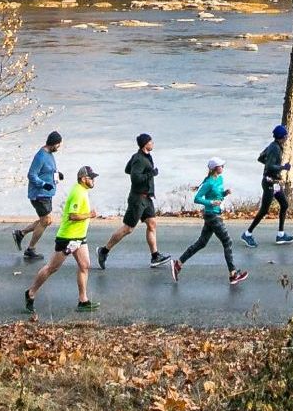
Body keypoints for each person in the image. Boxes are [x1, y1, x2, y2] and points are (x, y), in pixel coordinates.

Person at [26, 165, 99, 314]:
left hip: (79, 237)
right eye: (91, 178)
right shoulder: (78, 193)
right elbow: (73, 215)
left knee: (85, 266)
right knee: (52, 268)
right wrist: (89, 215)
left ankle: (83, 301)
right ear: (83, 179)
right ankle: (30, 293)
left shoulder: (82, 190)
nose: (93, 181)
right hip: (67, 237)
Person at [173, 158, 250, 285]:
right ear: (215, 168)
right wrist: (210, 202)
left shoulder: (220, 179)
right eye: (221, 166)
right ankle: (233, 274)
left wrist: (225, 193)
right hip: (212, 215)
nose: (223, 167)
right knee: (227, 241)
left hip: (215, 214)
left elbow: (218, 196)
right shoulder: (208, 182)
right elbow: (197, 198)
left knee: (201, 243)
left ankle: (178, 264)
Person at [99, 132, 168, 267]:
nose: (153, 143)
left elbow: (127, 169)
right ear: (145, 144)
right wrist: (151, 174)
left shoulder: (143, 156)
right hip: (138, 198)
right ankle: (104, 250)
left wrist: (146, 173)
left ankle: (155, 256)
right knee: (128, 229)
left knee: (152, 224)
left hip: (147, 198)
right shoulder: (139, 159)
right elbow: (135, 178)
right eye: (150, 141)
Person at [14, 131, 64, 261]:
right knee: (46, 220)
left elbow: (48, 169)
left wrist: (58, 174)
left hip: (47, 194)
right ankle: (30, 249)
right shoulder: (40, 156)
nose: (59, 147)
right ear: (53, 143)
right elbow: (31, 175)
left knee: (46, 220)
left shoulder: (50, 154)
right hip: (39, 194)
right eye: (58, 145)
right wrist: (43, 184)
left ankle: (21, 233)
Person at [243, 123, 293, 246]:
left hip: (274, 182)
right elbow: (269, 166)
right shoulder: (275, 148)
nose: (287, 137)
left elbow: (260, 158)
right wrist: (283, 167)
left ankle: (281, 235)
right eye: (286, 135)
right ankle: (247, 234)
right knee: (264, 210)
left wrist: (272, 165)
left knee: (284, 204)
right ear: (282, 137)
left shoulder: (274, 145)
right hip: (269, 183)